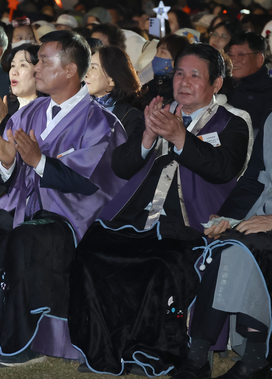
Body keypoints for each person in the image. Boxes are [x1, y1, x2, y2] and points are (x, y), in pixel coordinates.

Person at [0, 30, 128, 366]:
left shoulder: (101, 122)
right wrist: (9, 163)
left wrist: (39, 161)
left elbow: (90, 184)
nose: (35, 69)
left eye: (43, 61)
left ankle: (20, 342)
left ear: (70, 70)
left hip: (68, 219)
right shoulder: (29, 112)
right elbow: (6, 173)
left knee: (27, 238)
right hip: (18, 208)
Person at [69, 44, 251, 375]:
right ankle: (104, 346)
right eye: (180, 72)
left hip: (192, 224)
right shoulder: (156, 112)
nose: (184, 81)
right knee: (93, 249)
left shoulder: (233, 123)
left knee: (161, 263)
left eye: (196, 75)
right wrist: (148, 136)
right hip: (139, 219)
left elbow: (223, 168)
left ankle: (151, 351)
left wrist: (181, 138)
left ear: (216, 85)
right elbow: (121, 166)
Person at [173, 110, 272, 379]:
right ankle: (198, 355)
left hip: (269, 223)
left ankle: (255, 358)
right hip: (262, 217)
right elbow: (254, 177)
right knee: (223, 245)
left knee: (248, 252)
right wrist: (227, 215)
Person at [0, 44, 42, 135]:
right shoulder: (8, 106)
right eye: (13, 65)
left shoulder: (46, 109)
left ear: (40, 70)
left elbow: (26, 147)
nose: (13, 72)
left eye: (22, 65)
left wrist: (4, 120)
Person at [85, 46, 145, 136]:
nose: (86, 73)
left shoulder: (131, 117)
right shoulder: (77, 105)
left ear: (112, 80)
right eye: (87, 66)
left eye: (93, 68)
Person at [225, 31, 272, 132]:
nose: (234, 60)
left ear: (259, 59)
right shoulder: (222, 85)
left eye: (241, 55)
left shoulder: (268, 92)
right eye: (231, 55)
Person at [140, 34, 191, 106]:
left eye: (162, 52)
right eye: (157, 52)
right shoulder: (150, 86)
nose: (156, 56)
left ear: (176, 59)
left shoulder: (181, 92)